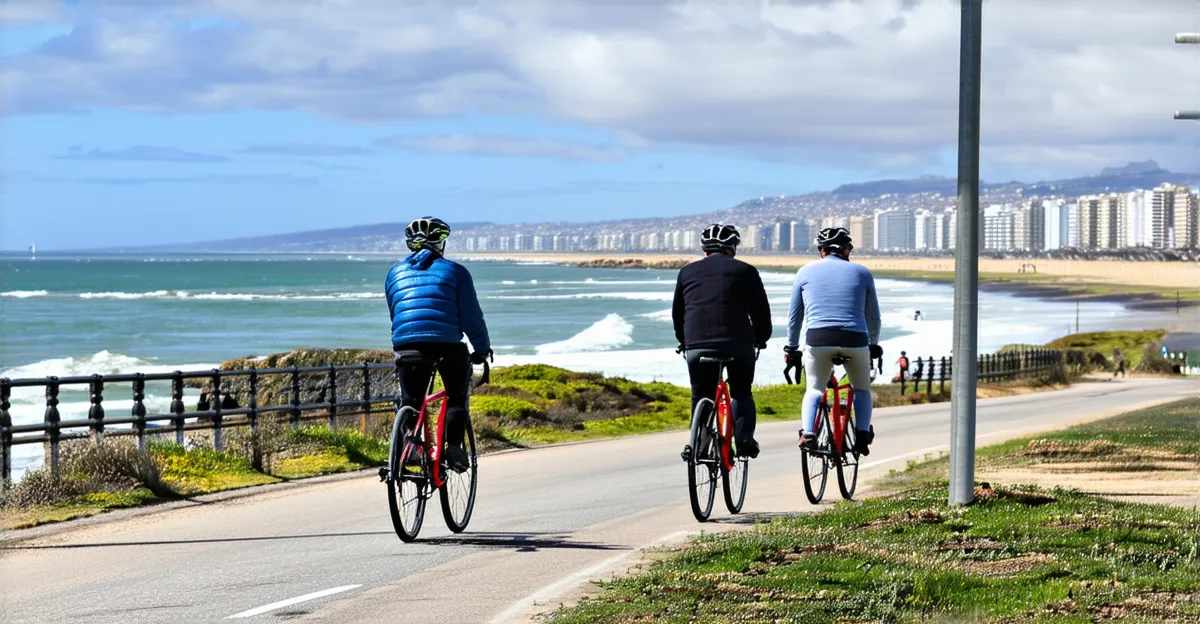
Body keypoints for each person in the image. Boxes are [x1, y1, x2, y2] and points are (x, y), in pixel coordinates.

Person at [385, 217, 491, 472]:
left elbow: (395, 312)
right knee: (456, 396)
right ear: (441, 242)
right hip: (446, 345)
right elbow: (471, 318)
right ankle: (453, 447)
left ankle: (409, 447)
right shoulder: (455, 271)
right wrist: (481, 349)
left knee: (411, 399)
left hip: (406, 344)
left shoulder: (394, 273)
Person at [672, 224, 772, 459]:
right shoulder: (746, 271)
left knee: (700, 394)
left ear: (704, 249)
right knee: (741, 393)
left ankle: (697, 445)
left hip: (697, 344)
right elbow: (760, 313)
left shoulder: (686, 272)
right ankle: (744, 437)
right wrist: (762, 338)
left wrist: (684, 340)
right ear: (732, 248)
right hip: (738, 344)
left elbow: (678, 313)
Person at [785, 227, 882, 456]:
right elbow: (873, 317)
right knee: (861, 389)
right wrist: (874, 343)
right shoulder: (862, 272)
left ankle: (808, 433)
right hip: (855, 339)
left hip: (818, 339)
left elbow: (794, 316)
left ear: (822, 252)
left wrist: (791, 347)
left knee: (815, 389)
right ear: (847, 251)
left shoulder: (804, 272)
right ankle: (861, 434)